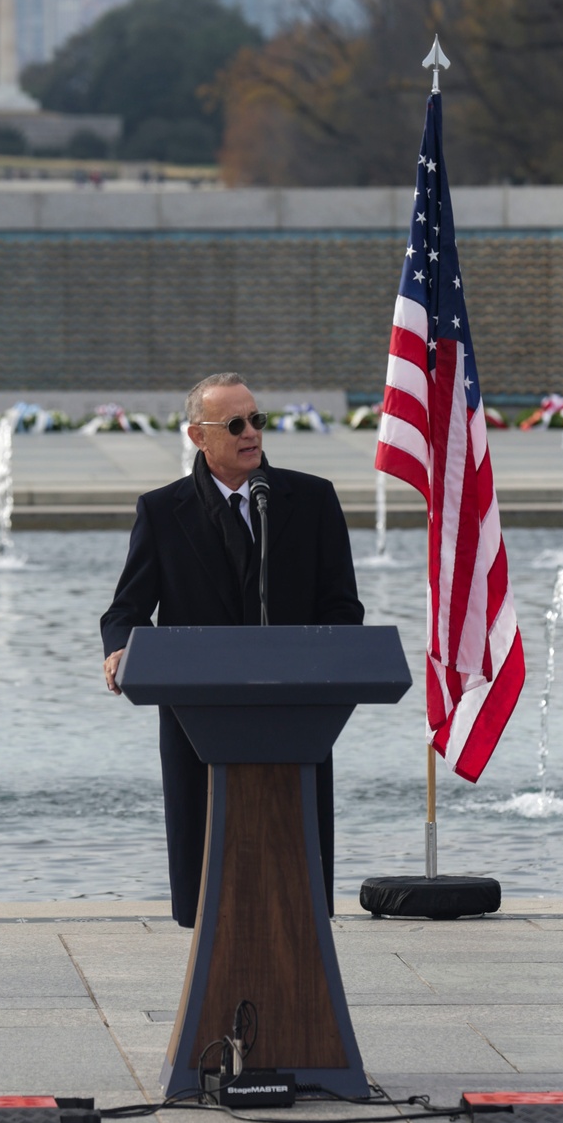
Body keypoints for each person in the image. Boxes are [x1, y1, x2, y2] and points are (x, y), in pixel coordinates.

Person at [100, 372, 364, 927]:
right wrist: (121, 648)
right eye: (236, 424)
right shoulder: (162, 511)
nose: (252, 434)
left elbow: (343, 608)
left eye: (257, 420)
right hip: (200, 721)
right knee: (208, 901)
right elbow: (126, 610)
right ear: (198, 437)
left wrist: (328, 663)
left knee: (295, 902)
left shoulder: (310, 500)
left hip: (296, 718)